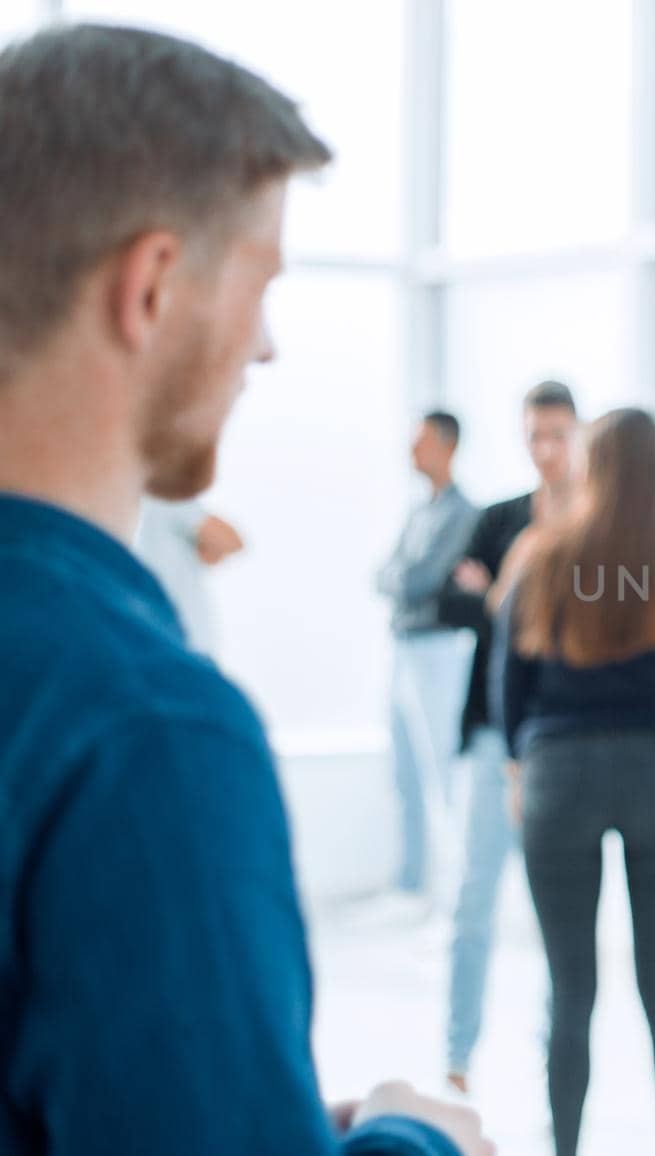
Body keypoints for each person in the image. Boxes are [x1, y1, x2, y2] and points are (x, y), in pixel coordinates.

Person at [0, 23, 490, 1155]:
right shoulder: (144, 732)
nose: (266, 349)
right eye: (261, 283)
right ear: (155, 288)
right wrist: (418, 1142)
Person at [498, 407, 655, 1156]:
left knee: (569, 991)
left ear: (591, 465)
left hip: (558, 775)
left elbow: (507, 684)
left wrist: (519, 766)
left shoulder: (542, 554)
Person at [435, 380, 578, 1092]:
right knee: (473, 900)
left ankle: (559, 1059)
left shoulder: (594, 523)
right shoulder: (500, 521)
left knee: (558, 911)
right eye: (535, 436)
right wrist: (500, 596)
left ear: (577, 435)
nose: (546, 449)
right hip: (495, 738)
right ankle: (457, 1059)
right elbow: (448, 599)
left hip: (561, 743)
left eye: (558, 434)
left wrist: (496, 594)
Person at [376, 409, 477, 902]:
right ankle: (412, 887)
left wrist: (400, 579)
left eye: (420, 441)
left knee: (443, 775)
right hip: (404, 649)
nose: (411, 450)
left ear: (447, 445)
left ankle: (452, 894)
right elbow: (387, 574)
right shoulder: (419, 512)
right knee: (405, 772)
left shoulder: (462, 514)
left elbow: (417, 580)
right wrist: (401, 579)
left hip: (438, 653)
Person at [134, 497, 245, 654]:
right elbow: (231, 542)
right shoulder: (165, 497)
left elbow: (213, 556)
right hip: (181, 644)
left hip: (166, 640)